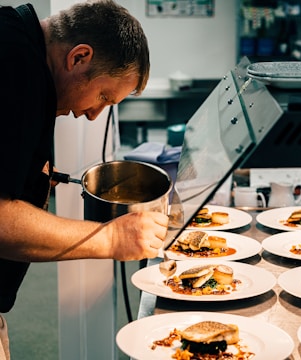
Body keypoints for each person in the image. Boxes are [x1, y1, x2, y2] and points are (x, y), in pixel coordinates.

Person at [0, 1, 169, 357]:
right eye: (104, 96)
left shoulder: (19, 43)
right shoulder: (14, 65)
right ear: (79, 57)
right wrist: (111, 238)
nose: (94, 114)